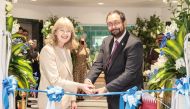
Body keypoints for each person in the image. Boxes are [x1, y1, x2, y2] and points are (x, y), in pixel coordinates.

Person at [84, 10, 144, 109]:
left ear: (124, 23)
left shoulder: (134, 43)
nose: (113, 27)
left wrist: (106, 89)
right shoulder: (106, 41)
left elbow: (130, 73)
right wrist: (88, 80)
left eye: (116, 23)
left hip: (128, 97)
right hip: (112, 95)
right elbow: (98, 64)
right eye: (110, 24)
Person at [38, 17, 93, 109]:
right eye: (62, 30)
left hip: (65, 101)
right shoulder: (47, 50)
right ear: (55, 32)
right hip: (50, 101)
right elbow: (55, 81)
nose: (65, 33)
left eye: (68, 31)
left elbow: (69, 76)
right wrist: (80, 85)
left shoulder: (66, 50)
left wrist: (72, 99)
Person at [73, 36, 90, 100]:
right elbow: (76, 55)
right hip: (77, 67)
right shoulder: (77, 49)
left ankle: (81, 95)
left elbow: (87, 56)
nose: (82, 43)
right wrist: (79, 47)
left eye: (83, 41)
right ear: (79, 42)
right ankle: (76, 95)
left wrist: (84, 48)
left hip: (83, 67)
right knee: (77, 81)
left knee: (82, 81)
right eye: (81, 42)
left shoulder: (87, 49)